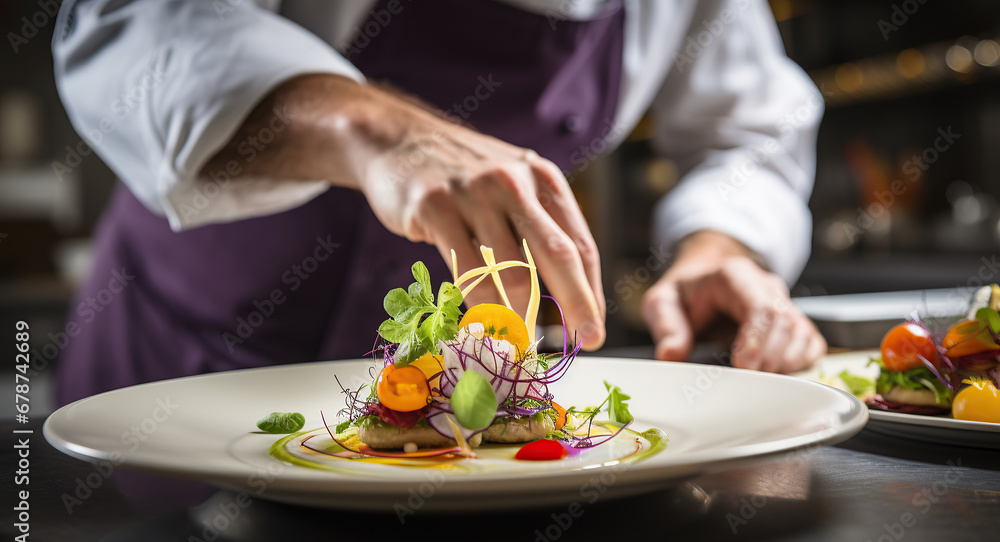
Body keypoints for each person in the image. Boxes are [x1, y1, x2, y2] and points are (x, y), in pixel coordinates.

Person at [51, 0, 826, 404]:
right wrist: (371, 129)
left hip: (453, 403)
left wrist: (723, 244)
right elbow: (123, 24)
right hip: (179, 353)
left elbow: (749, 128)